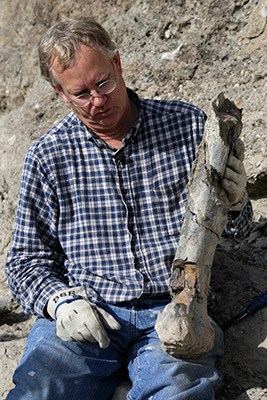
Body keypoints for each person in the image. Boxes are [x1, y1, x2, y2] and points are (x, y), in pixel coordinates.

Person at [5, 17, 252, 400]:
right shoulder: (48, 156)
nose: (98, 101)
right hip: (90, 313)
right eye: (81, 93)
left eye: (103, 83)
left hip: (175, 311)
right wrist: (60, 302)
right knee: (40, 390)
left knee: (179, 394)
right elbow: (25, 261)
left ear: (118, 64)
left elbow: (235, 239)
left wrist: (235, 206)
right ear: (60, 93)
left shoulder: (186, 127)